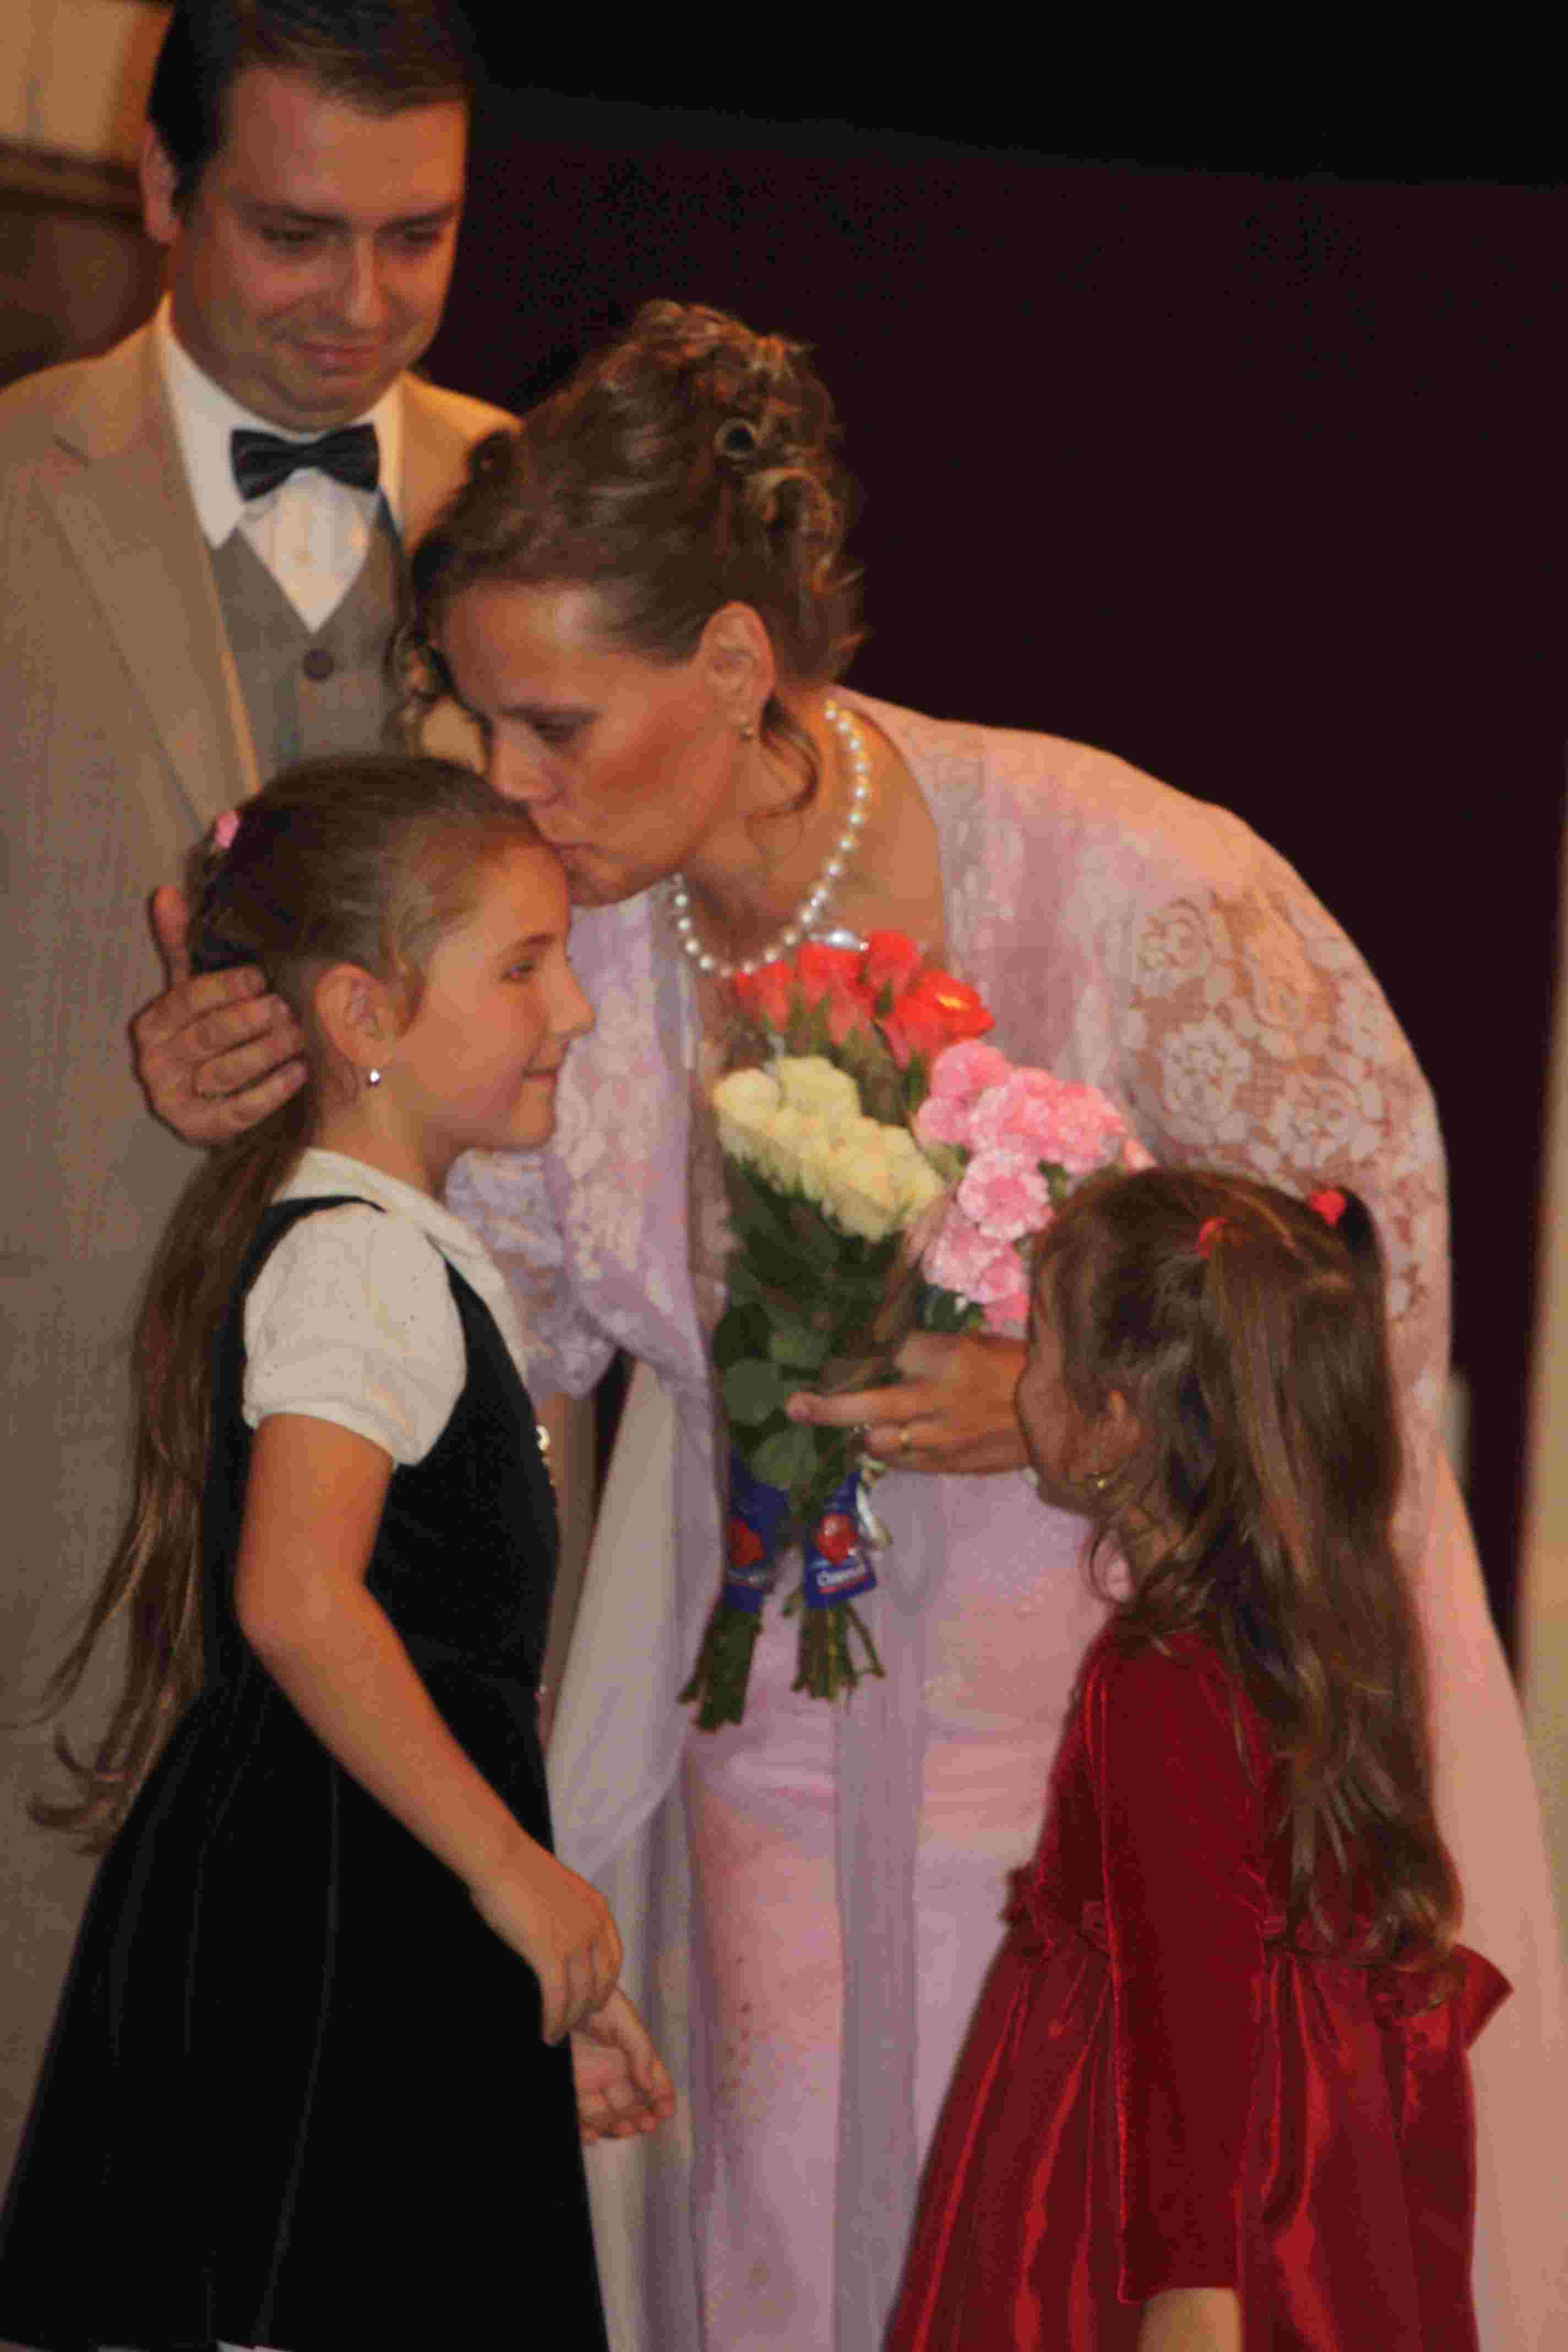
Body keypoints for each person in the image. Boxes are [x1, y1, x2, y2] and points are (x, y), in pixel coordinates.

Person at [139, 301, 1566, 2349]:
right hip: (766, 1763)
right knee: (782, 2237)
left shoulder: (1125, 877)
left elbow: (1367, 1271)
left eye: (556, 726)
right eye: (477, 722)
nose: (511, 786)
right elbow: (463, 1320)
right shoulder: (561, 950)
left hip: (1117, 1752)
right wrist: (269, 1054)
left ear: (734, 668)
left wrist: (1080, 1400)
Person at [0, 0, 512, 2196]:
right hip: (55, 1478)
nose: (360, 305)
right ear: (160, 188)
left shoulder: (543, 509)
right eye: (297, 235)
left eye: (419, 238)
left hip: (449, 1510)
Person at [0, 755, 674, 2352]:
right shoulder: (361, 1261)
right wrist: (514, 1877)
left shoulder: (387, 1249)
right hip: (334, 1916)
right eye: (522, 968)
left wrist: (537, 1970)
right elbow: (302, 1600)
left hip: (381, 1895)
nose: (573, 1010)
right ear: (364, 1014)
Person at [888, 1168, 1510, 2352]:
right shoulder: (1330, 1622)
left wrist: (1189, 2292)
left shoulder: (1163, 1675)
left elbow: (1188, 1995)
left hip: (1160, 2194)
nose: (1019, 1381)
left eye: (1040, 1348)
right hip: (1311, 2167)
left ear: (1116, 1419)